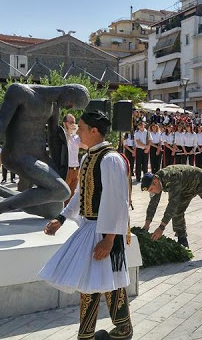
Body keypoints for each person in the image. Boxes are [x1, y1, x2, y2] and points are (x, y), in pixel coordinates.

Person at [38, 111, 133, 340]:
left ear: (94, 131)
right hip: (91, 228)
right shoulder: (87, 157)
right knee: (98, 281)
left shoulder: (111, 159)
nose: (77, 132)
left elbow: (117, 200)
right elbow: (81, 194)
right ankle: (112, 330)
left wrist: (109, 240)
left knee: (102, 282)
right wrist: (61, 218)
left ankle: (99, 332)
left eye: (80, 128)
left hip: (106, 231)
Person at [0, 84, 90, 225]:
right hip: (17, 155)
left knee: (53, 209)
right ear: (69, 91)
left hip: (39, 158)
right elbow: (0, 125)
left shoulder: (54, 106)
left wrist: (57, 169)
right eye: (71, 104)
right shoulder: (20, 92)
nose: (69, 108)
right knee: (63, 191)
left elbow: (53, 138)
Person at [140, 166, 202, 257]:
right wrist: (147, 225)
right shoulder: (157, 183)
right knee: (177, 212)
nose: (152, 192)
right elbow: (153, 204)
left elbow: (172, 205)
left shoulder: (172, 177)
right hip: (186, 189)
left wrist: (161, 227)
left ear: (155, 181)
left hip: (201, 181)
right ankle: (182, 242)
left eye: (152, 189)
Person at [62, 114, 85, 205]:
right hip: (66, 169)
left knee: (72, 194)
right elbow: (65, 143)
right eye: (70, 122)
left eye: (74, 122)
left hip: (76, 169)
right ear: (65, 123)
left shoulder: (76, 137)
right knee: (64, 193)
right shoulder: (62, 135)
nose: (73, 124)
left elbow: (85, 146)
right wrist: (68, 132)